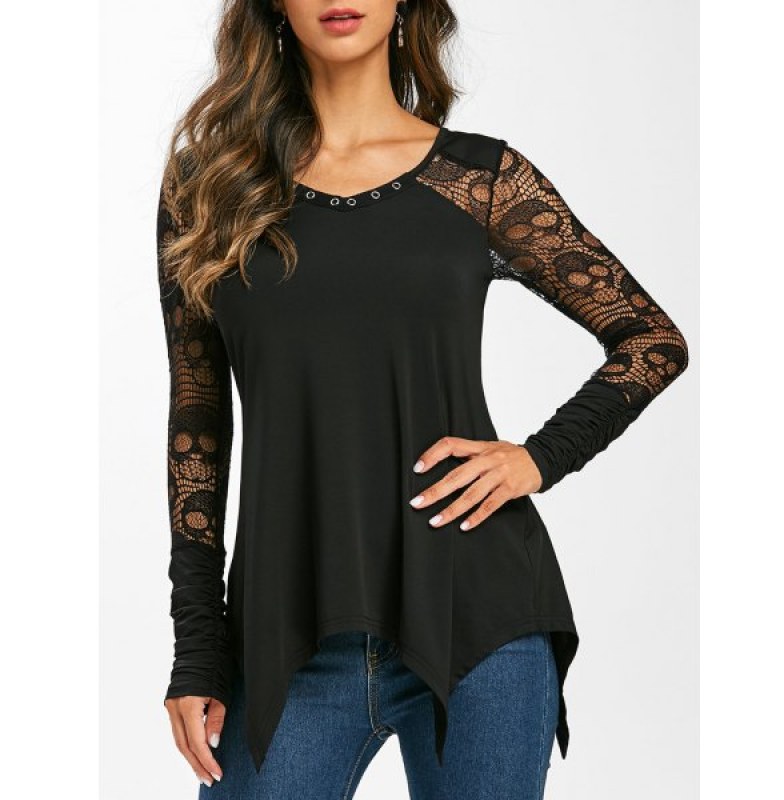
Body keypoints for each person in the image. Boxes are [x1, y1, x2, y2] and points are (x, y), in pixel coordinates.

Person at [157, 1, 690, 797]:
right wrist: (198, 646)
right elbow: (198, 425)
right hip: (287, 633)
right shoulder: (211, 188)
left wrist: (538, 459)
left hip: (481, 620)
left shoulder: (480, 180)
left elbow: (651, 340)